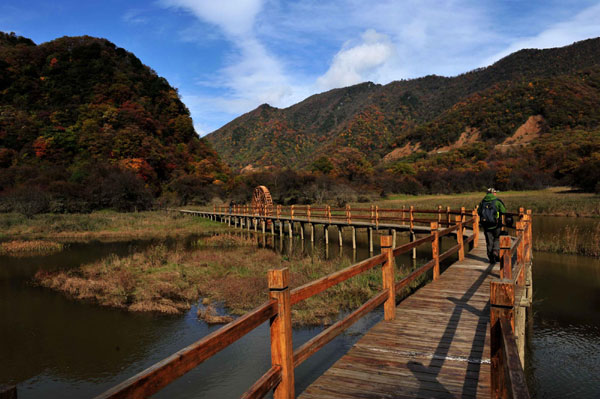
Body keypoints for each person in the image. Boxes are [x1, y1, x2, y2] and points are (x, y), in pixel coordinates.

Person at [478, 188, 506, 263]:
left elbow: (479, 212)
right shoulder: (497, 201)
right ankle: (496, 251)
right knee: (497, 238)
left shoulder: (483, 202)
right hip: (496, 225)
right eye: (495, 192)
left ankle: (491, 258)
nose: (496, 193)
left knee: (489, 241)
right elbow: (503, 211)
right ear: (493, 193)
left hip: (486, 225)